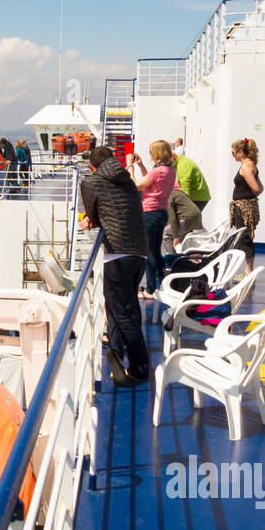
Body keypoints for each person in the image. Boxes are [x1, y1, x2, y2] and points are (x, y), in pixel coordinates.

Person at [79, 145, 150, 385]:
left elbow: (95, 216)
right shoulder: (127, 180)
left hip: (117, 255)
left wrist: (89, 219)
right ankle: (117, 357)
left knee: (123, 313)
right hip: (139, 252)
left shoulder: (90, 182)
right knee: (120, 308)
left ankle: (140, 368)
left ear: (92, 166)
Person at [128, 140, 177, 299]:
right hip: (161, 213)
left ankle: (150, 289)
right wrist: (141, 166)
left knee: (148, 252)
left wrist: (130, 166)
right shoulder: (169, 170)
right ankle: (162, 284)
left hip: (149, 213)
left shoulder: (158, 171)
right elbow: (151, 182)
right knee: (155, 251)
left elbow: (136, 186)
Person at [230, 138, 263, 273]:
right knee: (243, 237)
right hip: (244, 206)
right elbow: (261, 187)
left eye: (233, 153)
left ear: (240, 152)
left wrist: (249, 197)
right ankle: (247, 269)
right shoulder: (250, 164)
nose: (232, 156)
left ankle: (248, 270)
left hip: (244, 208)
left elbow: (256, 188)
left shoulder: (246, 166)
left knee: (245, 237)